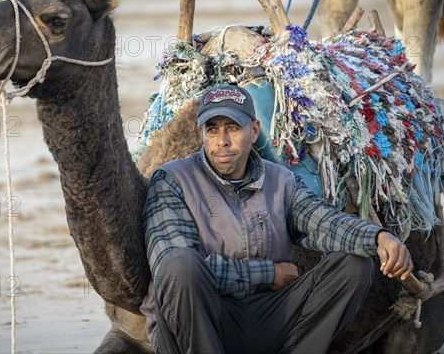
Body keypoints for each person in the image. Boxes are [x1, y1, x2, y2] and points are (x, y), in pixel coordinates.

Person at [140, 84, 413, 354]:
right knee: (180, 265)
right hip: (204, 322)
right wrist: (268, 274)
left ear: (254, 130)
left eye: (233, 128)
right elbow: (172, 270)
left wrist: (379, 237)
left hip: (267, 316)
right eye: (212, 129)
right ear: (202, 134)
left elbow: (323, 222)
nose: (222, 140)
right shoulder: (172, 180)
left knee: (354, 265)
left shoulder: (280, 180)